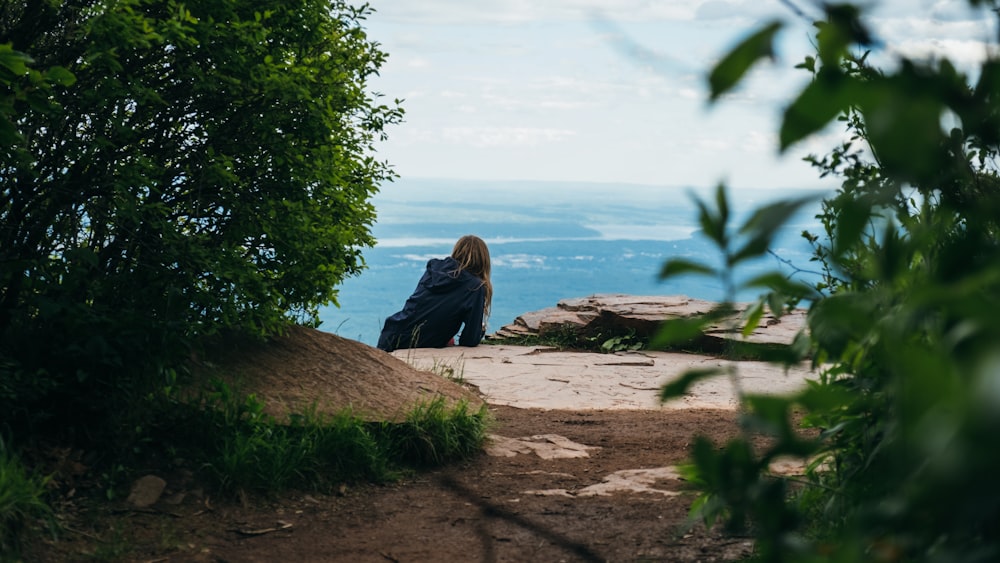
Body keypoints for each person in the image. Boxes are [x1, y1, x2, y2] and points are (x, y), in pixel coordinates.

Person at [377, 235, 493, 352]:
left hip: (392, 332)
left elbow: (425, 309)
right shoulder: (475, 287)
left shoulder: (435, 270)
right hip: (419, 343)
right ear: (483, 261)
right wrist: (480, 328)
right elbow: (470, 339)